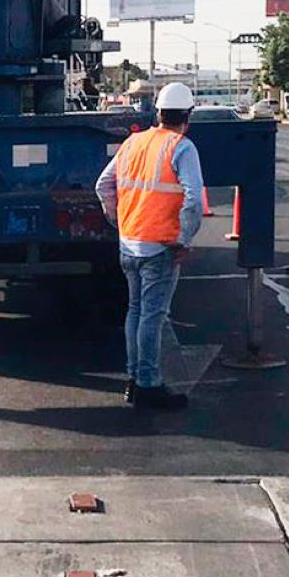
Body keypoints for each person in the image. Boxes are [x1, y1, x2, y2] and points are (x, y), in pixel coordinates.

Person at [96, 80, 204, 410]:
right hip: (160, 246)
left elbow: (103, 186)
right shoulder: (182, 147)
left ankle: (133, 378)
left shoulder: (133, 142)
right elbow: (193, 201)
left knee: (136, 312)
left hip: (129, 244)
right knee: (152, 317)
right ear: (187, 116)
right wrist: (184, 239)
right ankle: (148, 384)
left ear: (157, 113)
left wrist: (120, 222)